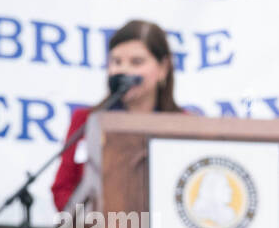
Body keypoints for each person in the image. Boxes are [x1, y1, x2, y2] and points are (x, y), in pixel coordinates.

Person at [51, 19, 182, 212]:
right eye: (116, 61)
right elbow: (62, 190)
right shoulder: (87, 120)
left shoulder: (183, 125)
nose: (123, 70)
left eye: (136, 62)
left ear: (163, 68)